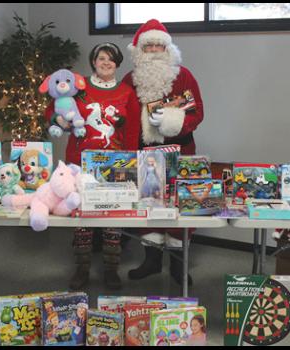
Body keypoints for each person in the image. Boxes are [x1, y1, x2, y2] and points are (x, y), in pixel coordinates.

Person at [44, 42, 141, 290]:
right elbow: (53, 109)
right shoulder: (79, 88)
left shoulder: (127, 92)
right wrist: (56, 120)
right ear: (93, 61)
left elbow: (132, 131)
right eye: (100, 58)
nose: (105, 62)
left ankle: (111, 269)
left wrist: (132, 162)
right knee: (82, 216)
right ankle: (82, 267)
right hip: (80, 162)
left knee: (113, 218)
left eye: (110, 59)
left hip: (115, 163)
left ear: (117, 63)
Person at [122, 19, 205, 285]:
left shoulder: (184, 75)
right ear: (139, 51)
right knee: (150, 205)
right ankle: (152, 261)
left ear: (168, 48)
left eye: (159, 44)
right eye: (149, 46)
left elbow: (197, 111)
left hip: (180, 150)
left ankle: (179, 266)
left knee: (180, 206)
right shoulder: (129, 79)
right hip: (144, 153)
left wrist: (171, 120)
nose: (155, 49)